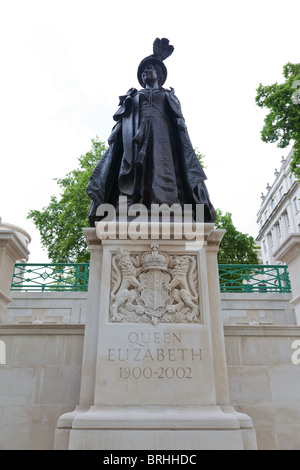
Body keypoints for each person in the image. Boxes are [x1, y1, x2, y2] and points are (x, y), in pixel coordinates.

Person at [87, 38, 216, 225]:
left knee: (161, 169)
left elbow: (178, 120)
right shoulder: (134, 95)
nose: (147, 72)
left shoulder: (167, 95)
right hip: (136, 139)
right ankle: (133, 204)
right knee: (137, 171)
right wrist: (117, 132)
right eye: (145, 71)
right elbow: (125, 118)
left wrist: (181, 132)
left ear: (159, 75)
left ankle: (166, 206)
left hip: (163, 137)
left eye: (151, 70)